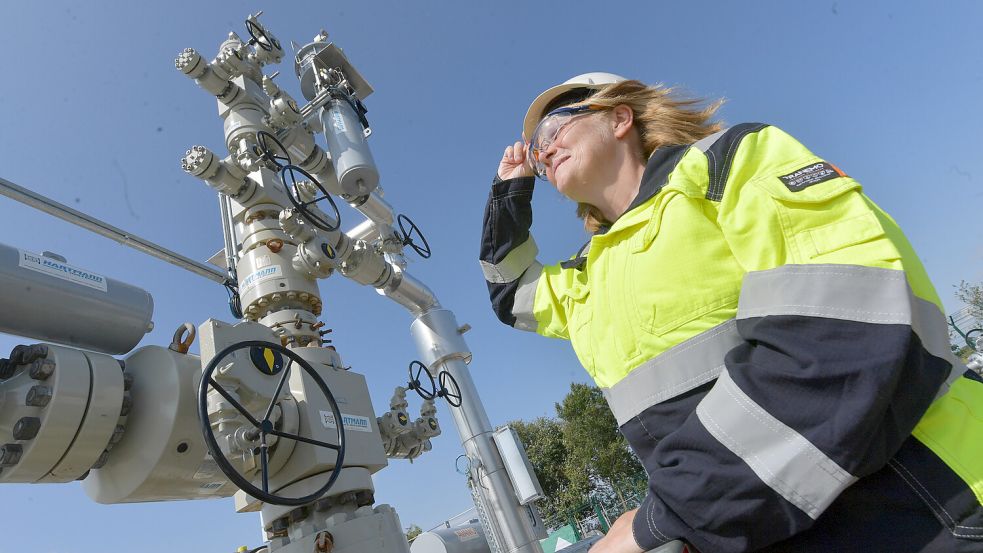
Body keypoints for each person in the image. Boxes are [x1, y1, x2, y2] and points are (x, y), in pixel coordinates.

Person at [479, 73, 983, 553]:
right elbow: (512, 292)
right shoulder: (589, 273)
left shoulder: (726, 161)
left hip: (926, 505)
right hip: (765, 525)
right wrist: (509, 191)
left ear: (619, 118)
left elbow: (840, 330)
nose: (543, 150)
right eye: (538, 152)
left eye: (553, 128)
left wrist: (663, 516)